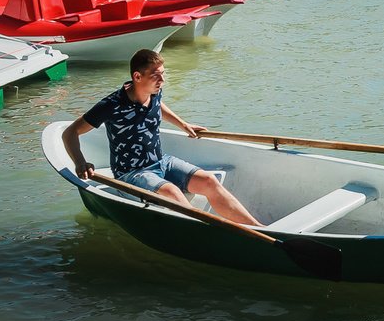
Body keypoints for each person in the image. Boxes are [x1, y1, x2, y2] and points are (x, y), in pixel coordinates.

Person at [61, 49, 260, 225]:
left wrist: (183, 124)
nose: (162, 81)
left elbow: (158, 107)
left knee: (209, 181)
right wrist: (80, 162)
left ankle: (260, 228)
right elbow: (70, 132)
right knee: (172, 193)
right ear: (137, 77)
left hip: (162, 162)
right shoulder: (111, 105)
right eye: (156, 76)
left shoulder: (155, 92)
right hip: (131, 173)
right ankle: (207, 231)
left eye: (163, 75)